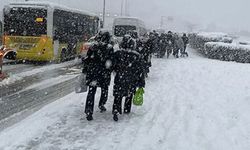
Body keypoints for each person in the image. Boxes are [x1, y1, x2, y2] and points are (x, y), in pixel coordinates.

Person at [112, 34, 145, 121]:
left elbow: (113, 65)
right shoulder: (136, 55)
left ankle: (116, 109)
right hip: (131, 78)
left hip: (119, 77)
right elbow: (140, 70)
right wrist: (141, 82)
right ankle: (126, 109)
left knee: (118, 95)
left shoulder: (117, 54)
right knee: (129, 94)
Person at [82, 32, 114, 121]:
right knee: (104, 89)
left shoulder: (92, 47)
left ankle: (89, 110)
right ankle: (101, 104)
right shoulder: (109, 48)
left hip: (92, 72)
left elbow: (87, 59)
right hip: (104, 73)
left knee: (91, 91)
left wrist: (85, 70)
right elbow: (111, 61)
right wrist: (110, 69)